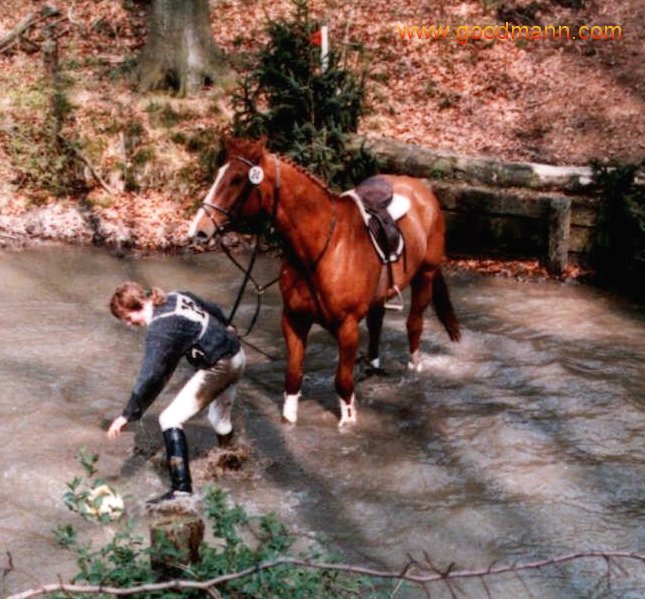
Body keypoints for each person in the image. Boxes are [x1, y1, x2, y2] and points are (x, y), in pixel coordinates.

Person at [107, 281, 245, 503]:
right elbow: (209, 306)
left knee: (169, 418)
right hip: (237, 355)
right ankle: (233, 467)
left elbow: (150, 375)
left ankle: (182, 491)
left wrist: (127, 414)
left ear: (135, 305)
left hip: (221, 366)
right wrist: (227, 325)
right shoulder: (175, 296)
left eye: (127, 318)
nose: (130, 324)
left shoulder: (160, 328)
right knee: (218, 420)